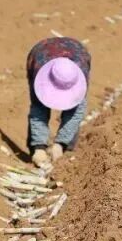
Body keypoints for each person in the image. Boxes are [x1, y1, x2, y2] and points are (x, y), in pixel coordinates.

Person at [25, 37, 91, 166]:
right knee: (39, 105)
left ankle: (66, 150)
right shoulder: (39, 68)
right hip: (41, 52)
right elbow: (38, 109)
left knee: (74, 107)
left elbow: (76, 112)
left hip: (77, 50)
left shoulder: (81, 70)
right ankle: (36, 150)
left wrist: (61, 143)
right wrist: (39, 147)